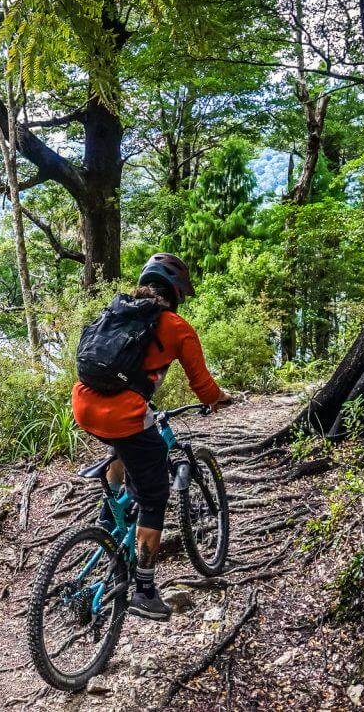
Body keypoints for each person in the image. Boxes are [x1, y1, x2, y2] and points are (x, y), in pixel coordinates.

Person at [71, 253, 233, 620]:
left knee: (124, 446)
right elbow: (203, 386)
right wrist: (218, 399)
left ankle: (108, 515)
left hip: (84, 404)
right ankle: (144, 589)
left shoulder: (115, 311)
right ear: (175, 292)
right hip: (124, 412)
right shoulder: (176, 326)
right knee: (155, 494)